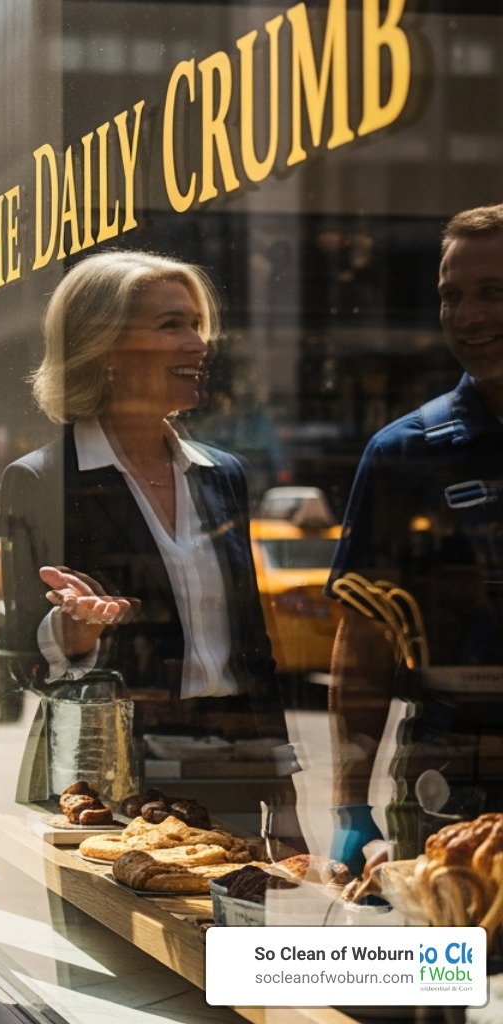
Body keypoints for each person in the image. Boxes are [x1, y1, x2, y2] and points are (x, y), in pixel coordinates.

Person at [0, 252, 293, 811]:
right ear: (105, 347)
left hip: (234, 767)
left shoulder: (223, 474)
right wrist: (73, 633)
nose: (199, 345)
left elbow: (254, 647)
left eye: (196, 326)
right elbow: (23, 660)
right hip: (105, 775)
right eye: (171, 325)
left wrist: (282, 790)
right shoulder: (41, 480)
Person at [327, 204, 503, 872]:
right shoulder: (404, 453)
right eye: (451, 296)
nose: (470, 315)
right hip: (448, 781)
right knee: (444, 975)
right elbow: (364, 638)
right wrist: (349, 807)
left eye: (494, 291)